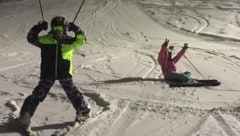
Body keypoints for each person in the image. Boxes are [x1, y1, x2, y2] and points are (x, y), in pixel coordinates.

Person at [18, 16, 90, 130]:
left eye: (60, 27)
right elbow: (31, 38)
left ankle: (83, 112)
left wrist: (76, 29)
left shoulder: (69, 40)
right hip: (48, 72)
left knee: (72, 92)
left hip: (64, 72)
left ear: (64, 28)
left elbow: (82, 40)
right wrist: (39, 27)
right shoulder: (45, 40)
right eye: (55, 27)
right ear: (51, 28)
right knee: (38, 94)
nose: (57, 30)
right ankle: (25, 115)